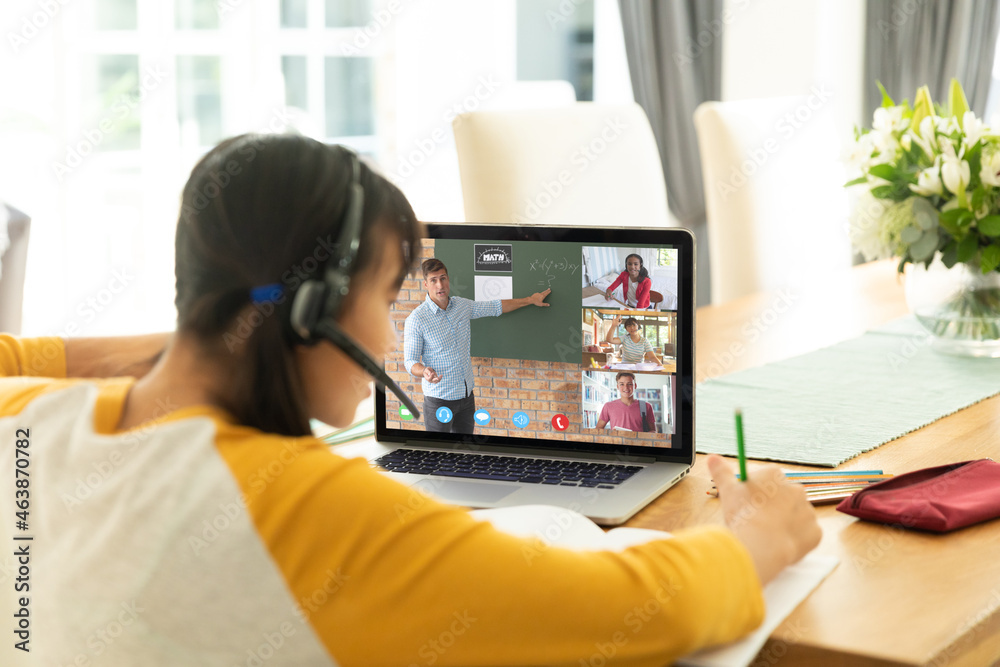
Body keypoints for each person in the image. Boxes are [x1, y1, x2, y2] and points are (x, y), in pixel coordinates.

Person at [0, 133, 821, 666]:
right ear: (315, 305)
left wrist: (204, 339)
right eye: (386, 292)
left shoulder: (24, 418)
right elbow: (631, 609)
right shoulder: (298, 505)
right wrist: (759, 533)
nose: (393, 338)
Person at [403, 258, 550, 433]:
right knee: (438, 456)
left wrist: (530, 300)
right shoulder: (417, 319)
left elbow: (495, 307)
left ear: (448, 279)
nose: (440, 285)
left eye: (443, 278)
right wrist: (424, 371)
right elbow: (410, 361)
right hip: (439, 401)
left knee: (465, 455)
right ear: (426, 284)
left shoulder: (462, 306)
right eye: (434, 280)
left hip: (466, 398)